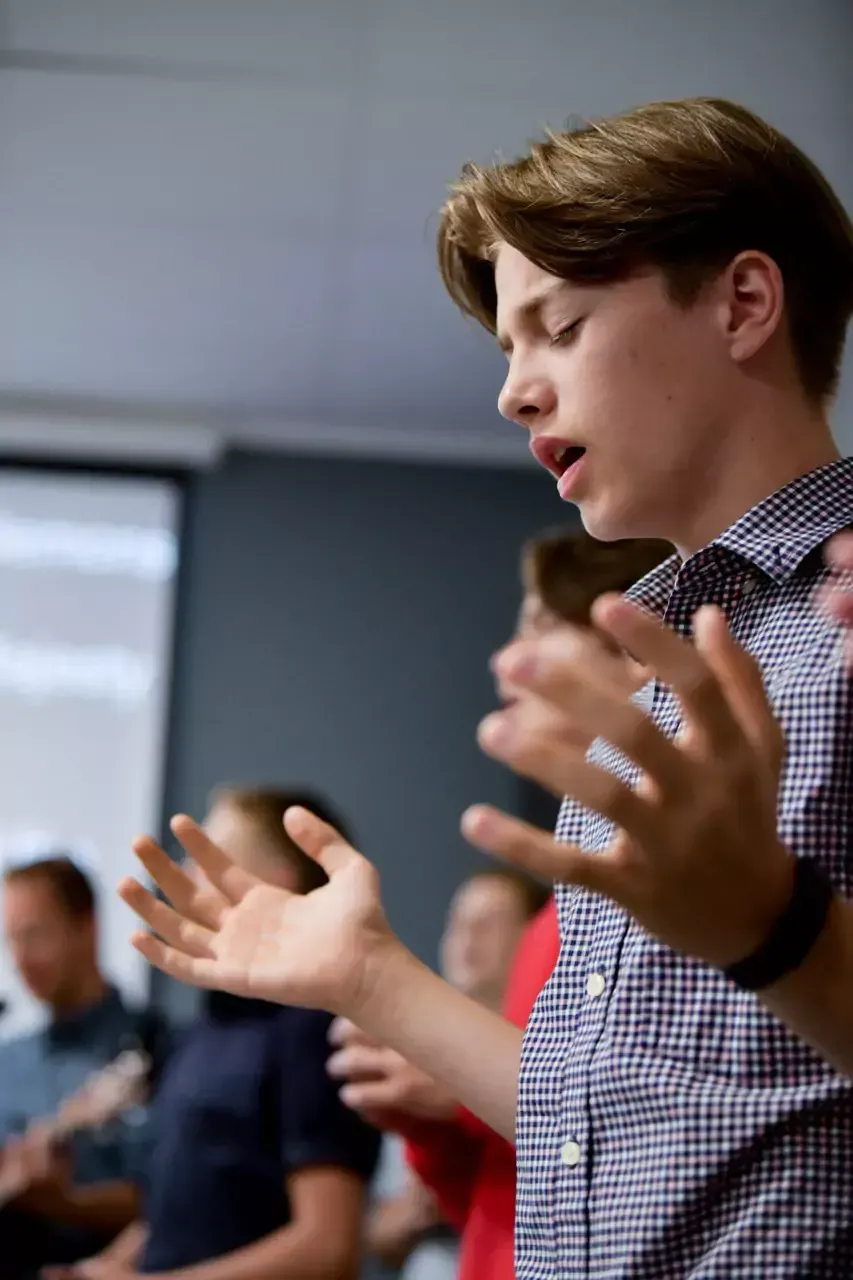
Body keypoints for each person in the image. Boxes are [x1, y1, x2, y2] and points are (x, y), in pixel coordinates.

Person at [119, 97, 853, 1278]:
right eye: (508, 350)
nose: (514, 390)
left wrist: (775, 925)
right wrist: (370, 977)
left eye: (557, 327)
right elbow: (614, 1127)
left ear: (743, 303)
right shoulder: (648, 682)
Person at [330, 530, 668, 1280]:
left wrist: (455, 1088)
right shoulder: (557, 920)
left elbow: (657, 1157)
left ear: (639, 647)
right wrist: (433, 1121)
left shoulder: (684, 900)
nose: (503, 658)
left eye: (541, 625)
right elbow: (501, 1207)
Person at [53, 787, 380, 1280]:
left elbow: (327, 1247)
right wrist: (101, 1269)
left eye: (205, 856)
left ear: (274, 885)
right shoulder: (201, 1032)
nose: (181, 875)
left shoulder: (310, 1032)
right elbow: (174, 1213)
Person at [354, 866, 549, 1280]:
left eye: (489, 923)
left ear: (535, 936)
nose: (467, 936)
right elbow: (379, 1233)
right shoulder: (412, 1065)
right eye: (458, 922)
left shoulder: (559, 1054)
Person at [0, 853, 168, 1279]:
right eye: (11, 940)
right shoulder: (8, 1057)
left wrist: (67, 1204)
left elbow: (174, 1196)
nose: (21, 959)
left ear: (87, 927)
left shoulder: (156, 1045)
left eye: (35, 935)